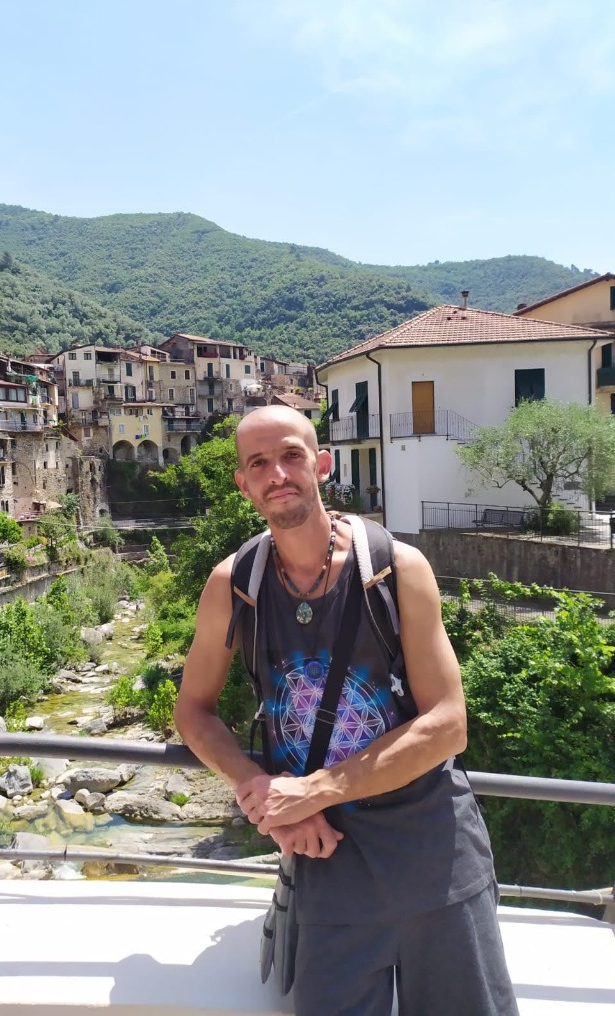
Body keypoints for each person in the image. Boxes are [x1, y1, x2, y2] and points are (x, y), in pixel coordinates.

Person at [174, 405, 519, 1016]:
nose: (276, 473)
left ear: (321, 465)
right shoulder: (233, 586)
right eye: (259, 464)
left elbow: (447, 724)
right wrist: (261, 790)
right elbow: (194, 712)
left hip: (432, 851)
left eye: (291, 455)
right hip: (324, 857)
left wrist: (315, 790)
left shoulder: (393, 568)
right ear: (243, 484)